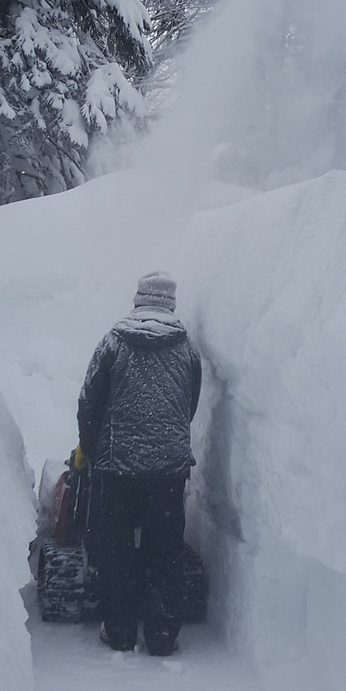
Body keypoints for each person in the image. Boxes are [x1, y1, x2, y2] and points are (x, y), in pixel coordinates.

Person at [76, 272, 202, 655]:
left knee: (115, 548)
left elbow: (88, 402)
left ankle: (119, 632)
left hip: (117, 468)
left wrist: (91, 450)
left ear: (137, 300)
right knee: (165, 550)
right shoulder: (187, 349)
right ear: (171, 304)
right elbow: (189, 405)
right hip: (168, 469)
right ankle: (162, 636)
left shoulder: (113, 341)